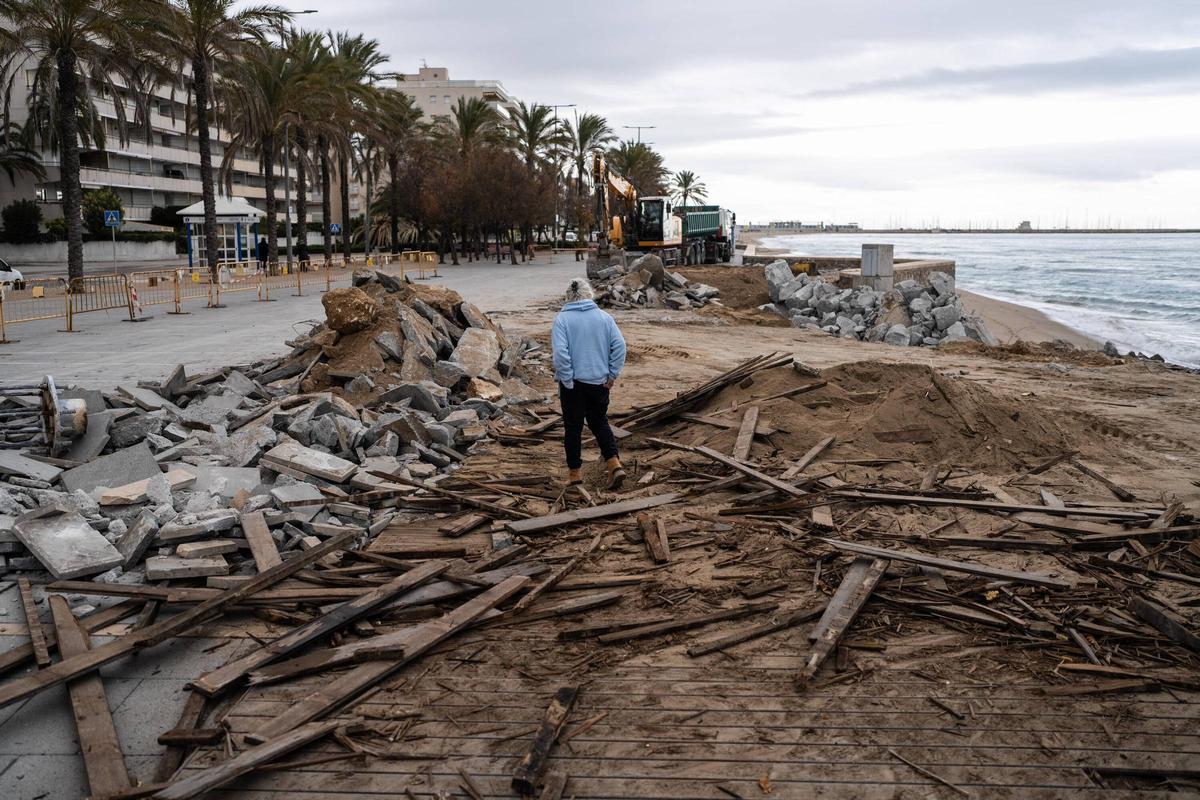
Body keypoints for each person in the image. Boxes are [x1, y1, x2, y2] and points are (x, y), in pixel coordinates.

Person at [552, 278, 627, 488]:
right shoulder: (604, 318)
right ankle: (614, 464)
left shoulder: (562, 320)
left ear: (568, 296)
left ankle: (575, 475)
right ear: (589, 294)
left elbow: (560, 355)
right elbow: (620, 347)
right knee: (599, 421)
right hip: (599, 382)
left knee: (573, 427)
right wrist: (612, 375)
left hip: (573, 384)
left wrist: (567, 379)